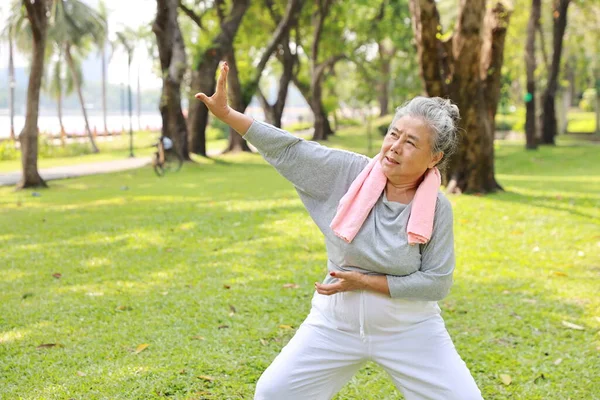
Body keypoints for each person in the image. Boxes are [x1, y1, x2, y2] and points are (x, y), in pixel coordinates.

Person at [195, 62, 483, 400]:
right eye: (393, 134)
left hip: (409, 329)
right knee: (274, 393)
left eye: (410, 143)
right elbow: (291, 149)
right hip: (337, 324)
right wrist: (228, 114)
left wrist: (364, 282)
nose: (394, 146)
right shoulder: (348, 173)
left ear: (434, 158)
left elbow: (437, 281)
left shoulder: (436, 208)